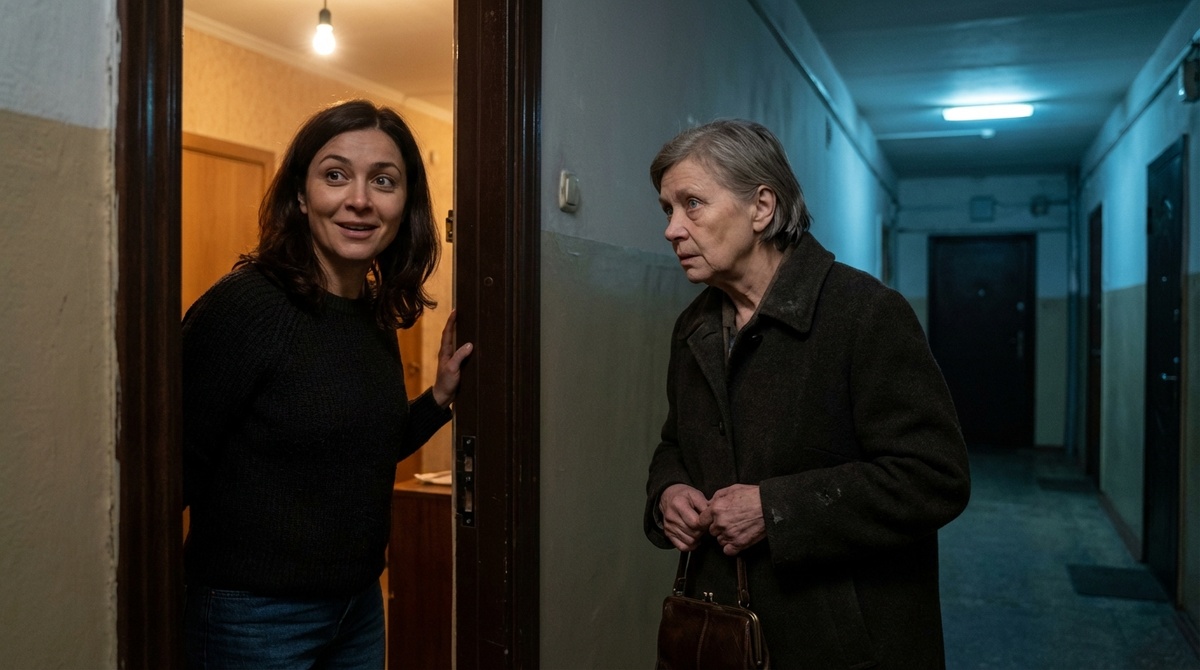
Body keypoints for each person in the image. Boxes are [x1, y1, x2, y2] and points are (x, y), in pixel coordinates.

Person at [644, 119, 971, 669]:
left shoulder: (865, 314)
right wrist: (669, 491)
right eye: (667, 210)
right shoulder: (694, 328)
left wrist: (774, 510)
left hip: (840, 645)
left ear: (761, 208)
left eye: (692, 204)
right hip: (722, 633)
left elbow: (934, 477)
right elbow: (675, 443)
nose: (672, 229)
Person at [181, 99, 472, 669]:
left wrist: (439, 398)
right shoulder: (245, 307)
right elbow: (165, 470)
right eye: (335, 175)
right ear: (300, 194)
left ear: (405, 203)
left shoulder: (371, 312)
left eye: (383, 181)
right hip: (251, 619)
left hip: (357, 610)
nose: (359, 199)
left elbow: (360, 448)